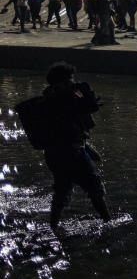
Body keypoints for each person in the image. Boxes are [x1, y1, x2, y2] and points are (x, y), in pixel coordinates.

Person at [29, 63, 111, 229]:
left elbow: (70, 127)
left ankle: (53, 225)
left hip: (55, 154)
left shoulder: (48, 98)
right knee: (94, 187)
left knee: (62, 189)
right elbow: (81, 114)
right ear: (63, 81)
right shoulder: (64, 98)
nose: (73, 82)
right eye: (71, 79)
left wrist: (88, 148)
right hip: (72, 153)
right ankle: (108, 222)